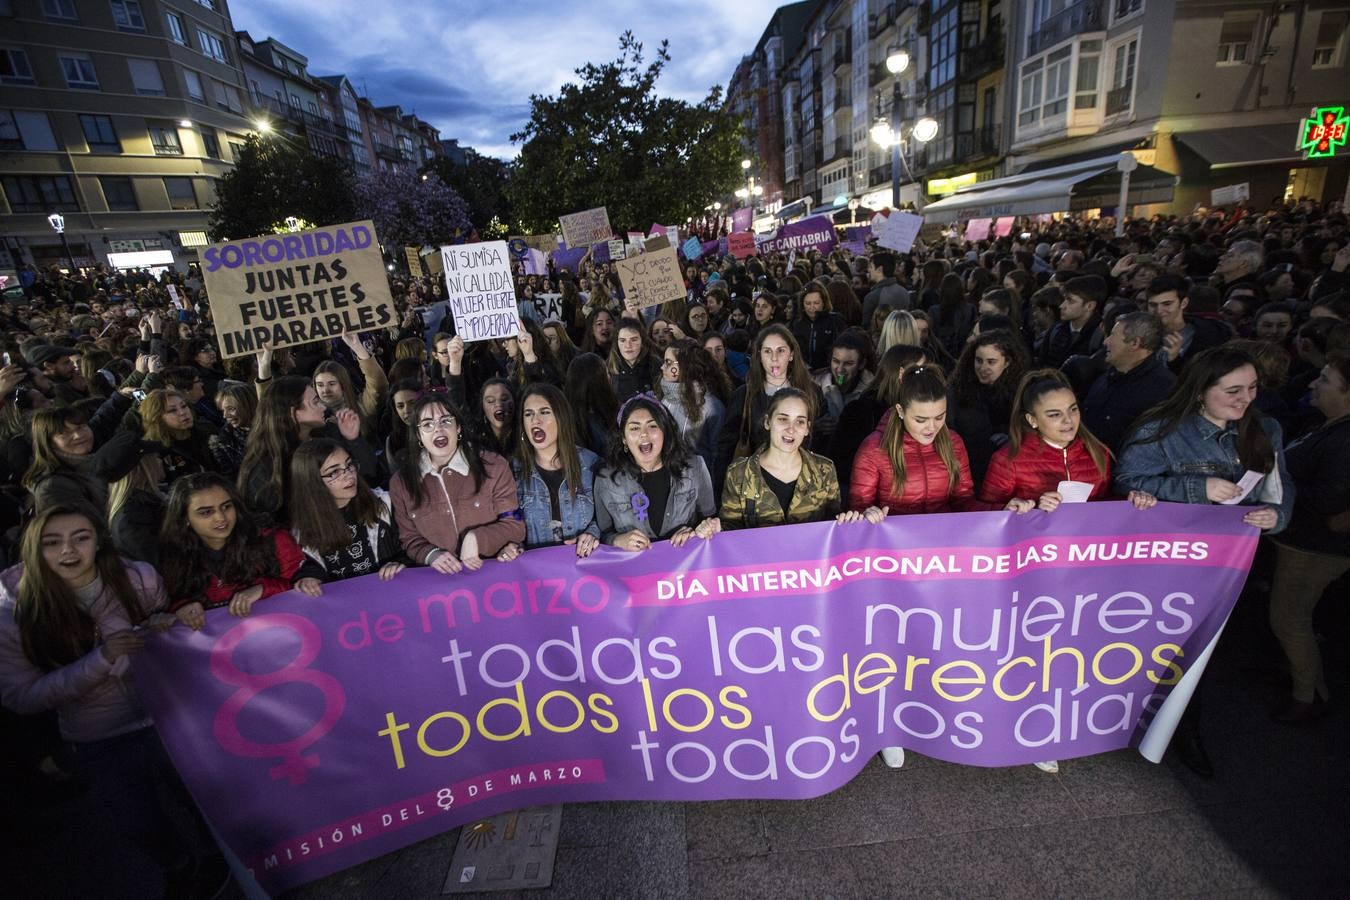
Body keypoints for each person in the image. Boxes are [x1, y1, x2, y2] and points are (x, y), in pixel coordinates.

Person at [0, 503, 220, 896]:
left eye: (80, 537)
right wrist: (99, 661)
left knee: (203, 802)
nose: (69, 551)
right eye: (53, 543)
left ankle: (222, 862)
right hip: (97, 739)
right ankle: (180, 869)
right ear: (34, 548)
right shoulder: (12, 612)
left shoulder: (138, 578)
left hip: (166, 719)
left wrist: (166, 622)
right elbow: (21, 697)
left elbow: (166, 625)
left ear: (98, 540)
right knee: (139, 821)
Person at [1115, 346, 1293, 777]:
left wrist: (1276, 516)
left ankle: (1183, 728)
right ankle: (1157, 724)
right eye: (1232, 390)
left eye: (1251, 388)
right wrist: (1198, 488)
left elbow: (1280, 490)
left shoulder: (1266, 428)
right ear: (1199, 392)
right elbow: (1128, 481)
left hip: (1230, 568)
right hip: (1171, 565)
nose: (1245, 399)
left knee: (1202, 652)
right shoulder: (1162, 429)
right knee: (1163, 646)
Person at [1266, 351, 1350, 723]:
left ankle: (1308, 697)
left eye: (1327, 380)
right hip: (1303, 543)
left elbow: (1332, 498)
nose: (1314, 383)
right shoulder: (1328, 425)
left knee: (1290, 618)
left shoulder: (1344, 439)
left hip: (1315, 549)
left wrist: (1279, 489)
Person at [388, 393, 525, 572]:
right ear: (418, 435)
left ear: (458, 427)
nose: (438, 429)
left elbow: (515, 526)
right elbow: (409, 538)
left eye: (445, 421)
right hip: (442, 588)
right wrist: (431, 554)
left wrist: (477, 538)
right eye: (428, 424)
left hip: (492, 576)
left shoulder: (494, 466)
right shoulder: (401, 483)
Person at [159, 473, 307, 629]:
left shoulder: (272, 539)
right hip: (221, 647)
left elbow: (305, 587)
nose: (221, 517)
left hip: (287, 632)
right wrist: (182, 608)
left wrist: (263, 589)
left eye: (226, 506)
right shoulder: (174, 556)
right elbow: (169, 603)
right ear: (185, 519)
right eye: (206, 512)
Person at [238, 373, 372, 527]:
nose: (323, 406)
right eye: (315, 402)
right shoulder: (265, 466)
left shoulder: (328, 436)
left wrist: (353, 439)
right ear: (293, 412)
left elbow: (368, 476)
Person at [720, 388, 865, 528]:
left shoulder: (825, 470)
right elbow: (730, 531)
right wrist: (713, 528)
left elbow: (833, 525)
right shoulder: (738, 474)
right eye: (783, 419)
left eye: (800, 421)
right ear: (767, 422)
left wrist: (851, 519)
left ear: (808, 428)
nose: (791, 429)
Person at [594, 394, 719, 550]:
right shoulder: (605, 478)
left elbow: (710, 520)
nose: (644, 433)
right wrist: (616, 540)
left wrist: (696, 531)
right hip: (633, 571)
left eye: (652, 425)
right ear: (623, 439)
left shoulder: (695, 467)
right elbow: (601, 534)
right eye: (634, 428)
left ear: (665, 431)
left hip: (684, 569)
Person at [849, 364, 975, 516]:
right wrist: (867, 514)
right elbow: (858, 507)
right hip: (893, 538)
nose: (932, 427)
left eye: (940, 417)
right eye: (921, 420)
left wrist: (1003, 510)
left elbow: (964, 502)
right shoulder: (874, 448)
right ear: (901, 411)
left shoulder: (953, 442)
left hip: (943, 536)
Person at [496, 383, 602, 560]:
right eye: (528, 414)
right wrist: (511, 548)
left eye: (544, 412)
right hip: (535, 579)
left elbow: (607, 520)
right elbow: (508, 526)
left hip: (582, 576)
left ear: (561, 418)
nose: (535, 420)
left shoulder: (591, 464)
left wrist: (593, 533)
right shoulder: (511, 471)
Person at [288, 439, 408, 589]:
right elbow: (308, 566)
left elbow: (409, 545)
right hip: (345, 610)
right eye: (334, 472)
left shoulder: (384, 505)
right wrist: (309, 578)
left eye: (349, 464)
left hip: (391, 599)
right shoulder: (301, 530)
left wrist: (400, 563)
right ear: (312, 482)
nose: (349, 475)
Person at [723, 325, 825, 462]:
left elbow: (821, 441)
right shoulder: (743, 396)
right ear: (759, 355)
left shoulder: (812, 392)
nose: (774, 358)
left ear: (791, 355)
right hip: (754, 477)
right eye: (767, 351)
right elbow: (726, 446)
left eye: (781, 351)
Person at [1081, 312, 1177, 453]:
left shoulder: (1164, 388)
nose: (1105, 342)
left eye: (1112, 336)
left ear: (1134, 343)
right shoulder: (1107, 375)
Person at [947, 330, 1028, 484]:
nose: (983, 367)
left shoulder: (1022, 392)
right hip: (967, 473)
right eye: (979, 360)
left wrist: (1013, 440)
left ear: (1007, 362)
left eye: (991, 362)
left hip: (1008, 475)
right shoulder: (957, 391)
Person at [657, 339, 726, 476]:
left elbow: (718, 458)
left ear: (685, 366)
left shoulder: (711, 406)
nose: (662, 367)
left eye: (668, 363)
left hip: (699, 483)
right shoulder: (665, 398)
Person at [1145, 275, 1231, 373]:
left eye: (1167, 304)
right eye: (1153, 305)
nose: (1159, 310)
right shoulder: (1140, 332)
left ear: (1184, 303)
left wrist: (1175, 360)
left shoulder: (1207, 336)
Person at [138, 388, 214, 483]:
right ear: (157, 418)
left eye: (184, 406)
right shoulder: (154, 452)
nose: (182, 413)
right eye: (172, 410)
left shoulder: (207, 430)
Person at [107, 452, 166, 565]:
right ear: (140, 469)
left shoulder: (145, 506)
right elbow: (155, 562)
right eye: (155, 458)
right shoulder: (134, 516)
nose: (160, 461)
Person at [1039, 275, 1104, 368]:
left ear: (1090, 306)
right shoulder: (1056, 329)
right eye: (1064, 299)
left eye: (1070, 300)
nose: (1062, 306)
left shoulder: (1100, 335)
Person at [609, 317, 663, 404]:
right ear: (617, 342)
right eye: (622, 340)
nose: (628, 345)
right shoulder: (609, 368)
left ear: (642, 341)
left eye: (634, 339)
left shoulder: (655, 364)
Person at [791, 283, 844, 370]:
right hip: (804, 371)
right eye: (808, 303)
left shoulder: (835, 320)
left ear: (824, 303)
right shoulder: (797, 323)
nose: (812, 307)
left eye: (816, 303)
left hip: (829, 371)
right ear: (802, 304)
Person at [208, 383, 255, 477]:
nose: (225, 416)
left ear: (248, 405)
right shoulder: (224, 440)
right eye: (223, 410)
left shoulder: (271, 428)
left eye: (231, 409)